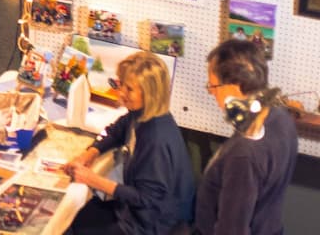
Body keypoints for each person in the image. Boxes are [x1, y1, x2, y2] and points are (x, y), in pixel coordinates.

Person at [65, 52, 194, 235]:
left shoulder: (156, 139)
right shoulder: (142, 114)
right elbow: (116, 130)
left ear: (149, 94)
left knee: (72, 225)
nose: (121, 93)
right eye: (121, 84)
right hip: (135, 213)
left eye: (129, 89)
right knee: (74, 217)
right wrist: (90, 153)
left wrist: (93, 180)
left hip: (152, 226)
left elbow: (147, 199)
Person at [195, 40, 297, 235]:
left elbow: (232, 229)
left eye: (214, 86)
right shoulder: (280, 117)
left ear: (235, 87)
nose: (212, 93)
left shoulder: (243, 154)